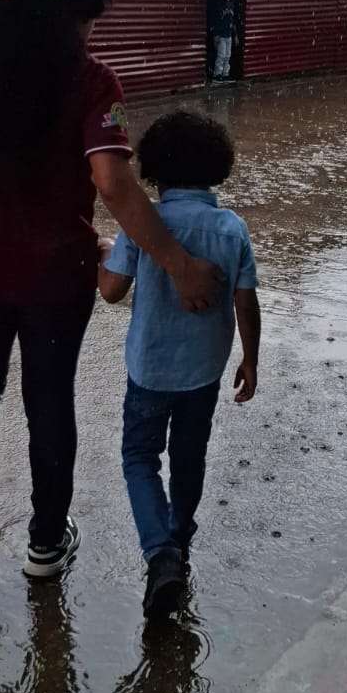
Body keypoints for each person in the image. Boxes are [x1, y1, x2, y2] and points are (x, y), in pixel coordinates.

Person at [0, 0, 221, 584]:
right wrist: (176, 262)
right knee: (49, 396)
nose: (91, 33)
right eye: (92, 20)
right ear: (79, 14)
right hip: (53, 274)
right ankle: (46, 543)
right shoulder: (91, 80)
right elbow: (112, 181)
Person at [98, 110, 261, 617]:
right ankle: (180, 536)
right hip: (203, 372)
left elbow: (111, 290)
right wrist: (251, 360)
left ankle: (160, 551)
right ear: (216, 166)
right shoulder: (231, 229)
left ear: (154, 168)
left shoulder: (144, 224)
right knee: (190, 456)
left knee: (139, 457)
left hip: (149, 370)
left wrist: (99, 250)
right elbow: (246, 300)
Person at [212, 0, 236, 81]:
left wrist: (235, 35)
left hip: (228, 33)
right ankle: (217, 74)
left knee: (227, 55)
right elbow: (216, 20)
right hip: (221, 34)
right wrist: (216, 34)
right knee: (221, 55)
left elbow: (232, 21)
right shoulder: (219, 4)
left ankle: (225, 73)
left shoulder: (231, 4)